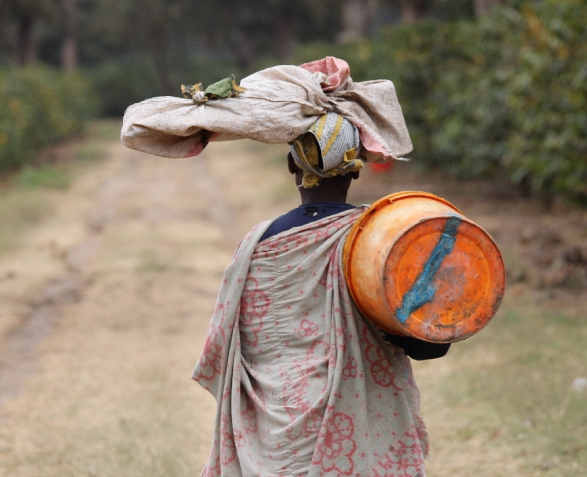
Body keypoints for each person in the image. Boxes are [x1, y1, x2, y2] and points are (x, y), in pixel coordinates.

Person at [191, 112, 449, 477]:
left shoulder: (256, 246)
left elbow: (229, 346)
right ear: (356, 169)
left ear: (291, 164)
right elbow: (430, 346)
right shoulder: (378, 242)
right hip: (359, 434)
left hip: (275, 441)